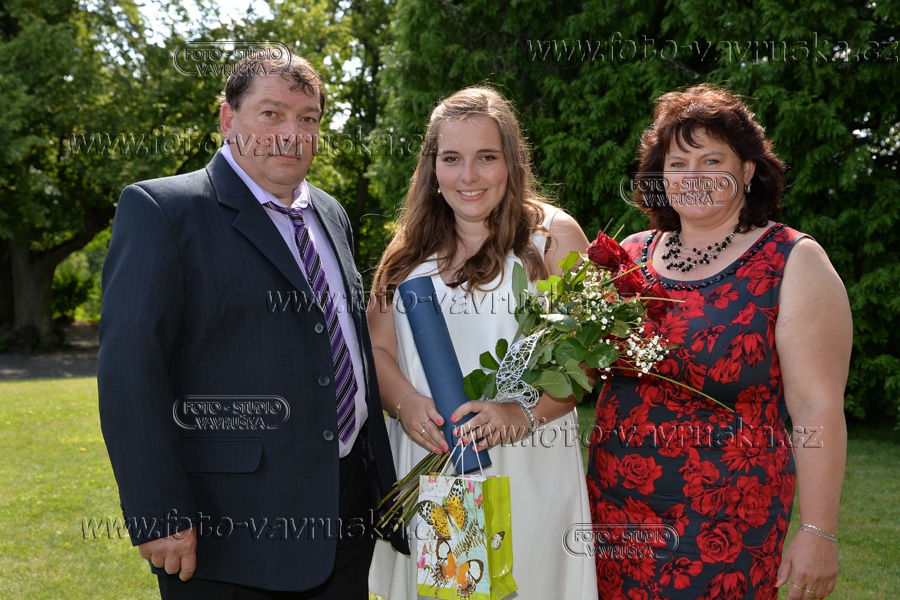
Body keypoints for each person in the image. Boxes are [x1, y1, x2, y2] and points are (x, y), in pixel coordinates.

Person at [98, 50, 404, 599]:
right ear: (228, 118)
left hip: (347, 513)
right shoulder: (164, 210)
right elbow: (129, 371)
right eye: (271, 114)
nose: (292, 133)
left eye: (308, 118)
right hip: (231, 529)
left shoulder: (331, 214)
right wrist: (159, 512)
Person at [585, 83, 851, 600]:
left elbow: (816, 407)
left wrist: (818, 531)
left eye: (712, 161)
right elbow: (582, 373)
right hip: (615, 513)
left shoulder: (793, 261)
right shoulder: (627, 258)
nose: (693, 177)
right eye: (678, 163)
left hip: (728, 524)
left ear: (747, 171)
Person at [367, 87, 599, 600]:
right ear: (432, 167)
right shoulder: (407, 250)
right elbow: (377, 351)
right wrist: (406, 404)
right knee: (447, 587)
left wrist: (519, 415)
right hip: (432, 464)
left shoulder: (552, 237)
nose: (468, 176)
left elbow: (585, 363)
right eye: (452, 158)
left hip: (527, 460)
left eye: (486, 157)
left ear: (511, 162)